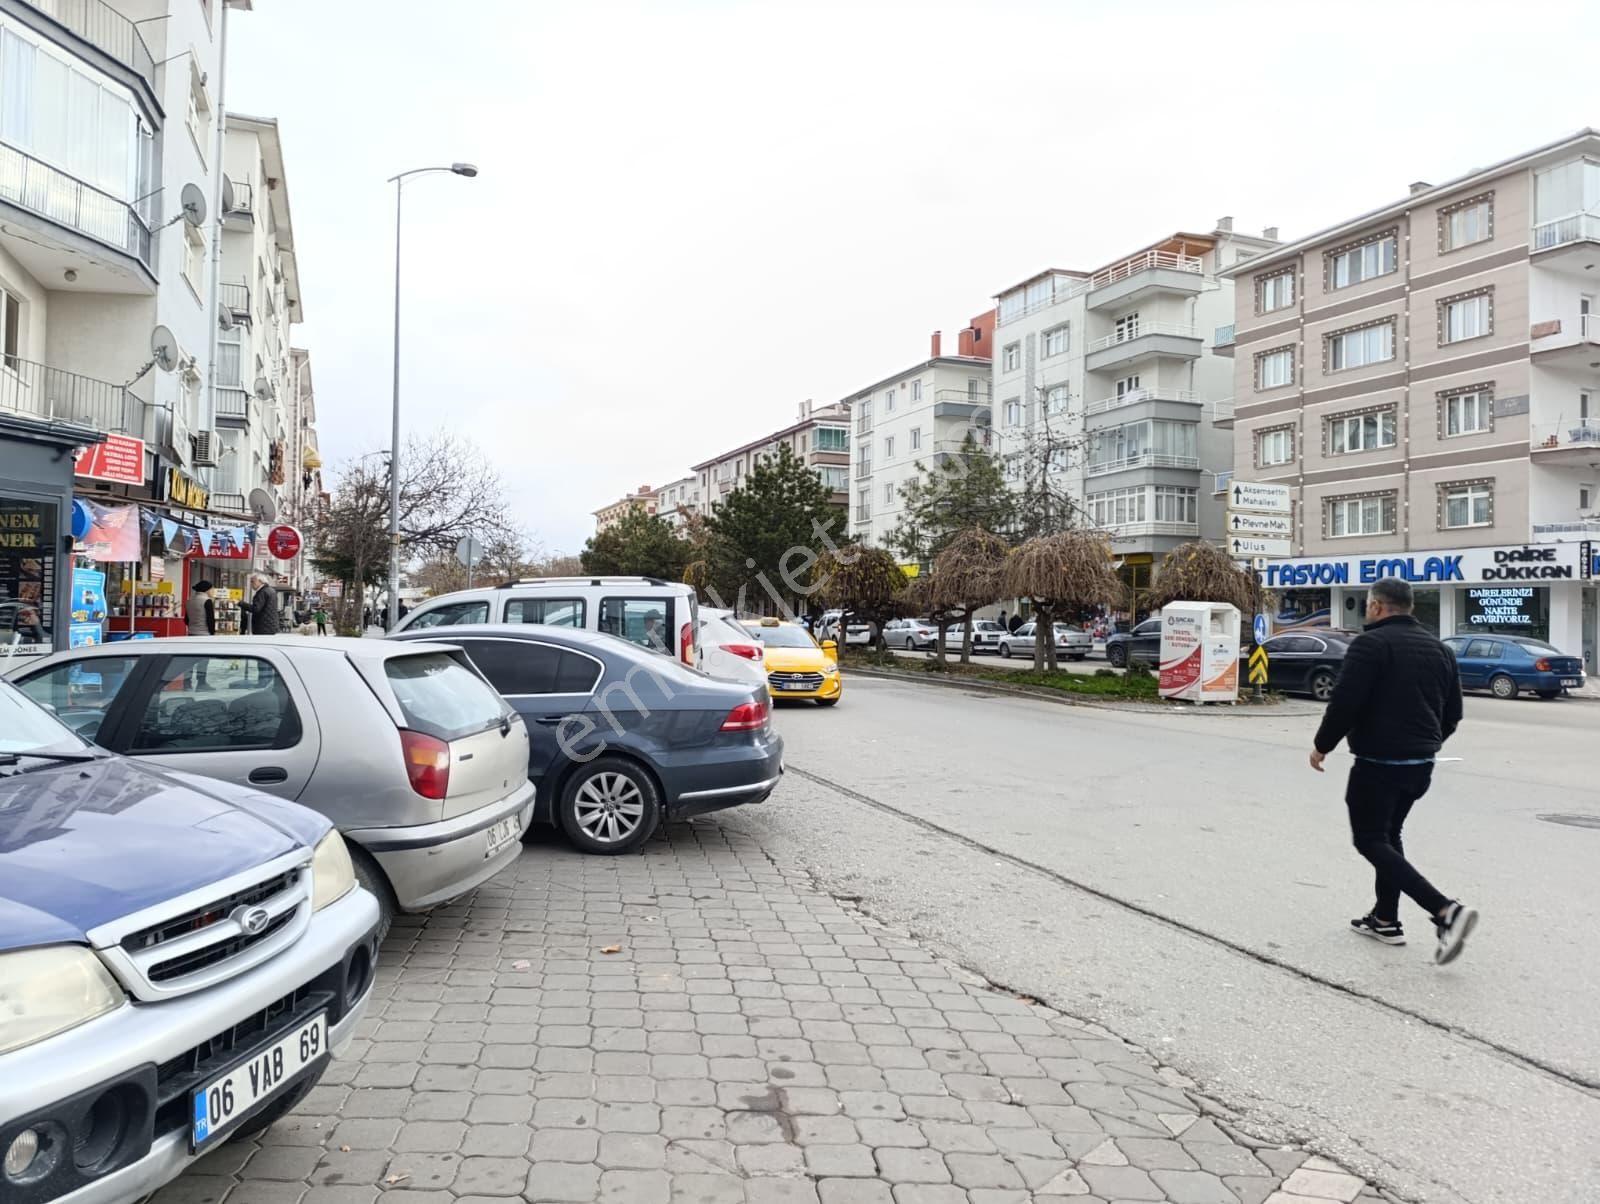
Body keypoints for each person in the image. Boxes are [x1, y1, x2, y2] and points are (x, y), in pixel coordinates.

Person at [1310, 577, 1478, 965]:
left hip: (1377, 763)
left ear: (1376, 607)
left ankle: (1444, 910)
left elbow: (1345, 703)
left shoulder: (1370, 644)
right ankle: (1385, 919)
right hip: (1420, 765)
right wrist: (1426, 744)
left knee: (1369, 840)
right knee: (1389, 835)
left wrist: (1322, 746)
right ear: (1410, 607)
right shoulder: (1439, 649)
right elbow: (1453, 714)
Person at [185, 581, 216, 689]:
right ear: (207, 589)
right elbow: (210, 620)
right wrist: (212, 634)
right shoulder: (207, 601)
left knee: (189, 660)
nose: (213, 591)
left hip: (191, 634)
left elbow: (186, 620)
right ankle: (201, 683)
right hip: (204, 635)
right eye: (212, 589)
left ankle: (187, 683)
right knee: (203, 661)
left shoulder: (189, 601)